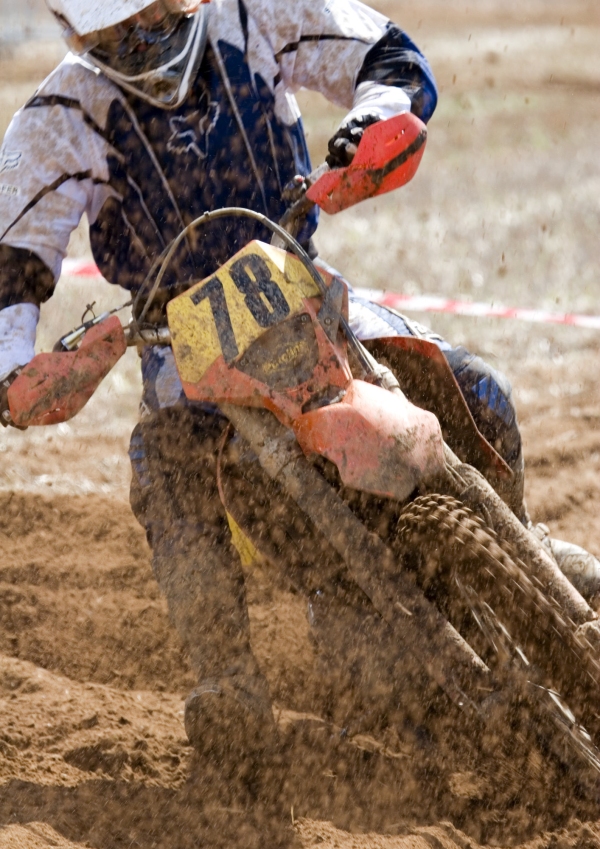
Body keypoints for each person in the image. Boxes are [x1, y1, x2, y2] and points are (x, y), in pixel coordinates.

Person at [0, 0, 598, 763]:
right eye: (119, 32)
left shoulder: (255, 16)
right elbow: (13, 257)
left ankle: (523, 542)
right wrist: (12, 362)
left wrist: (374, 115)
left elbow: (384, 52)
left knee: (472, 382)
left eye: (153, 18)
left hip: (301, 281)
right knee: (164, 466)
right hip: (176, 340)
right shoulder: (59, 114)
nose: (142, 41)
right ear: (81, 34)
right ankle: (228, 679)